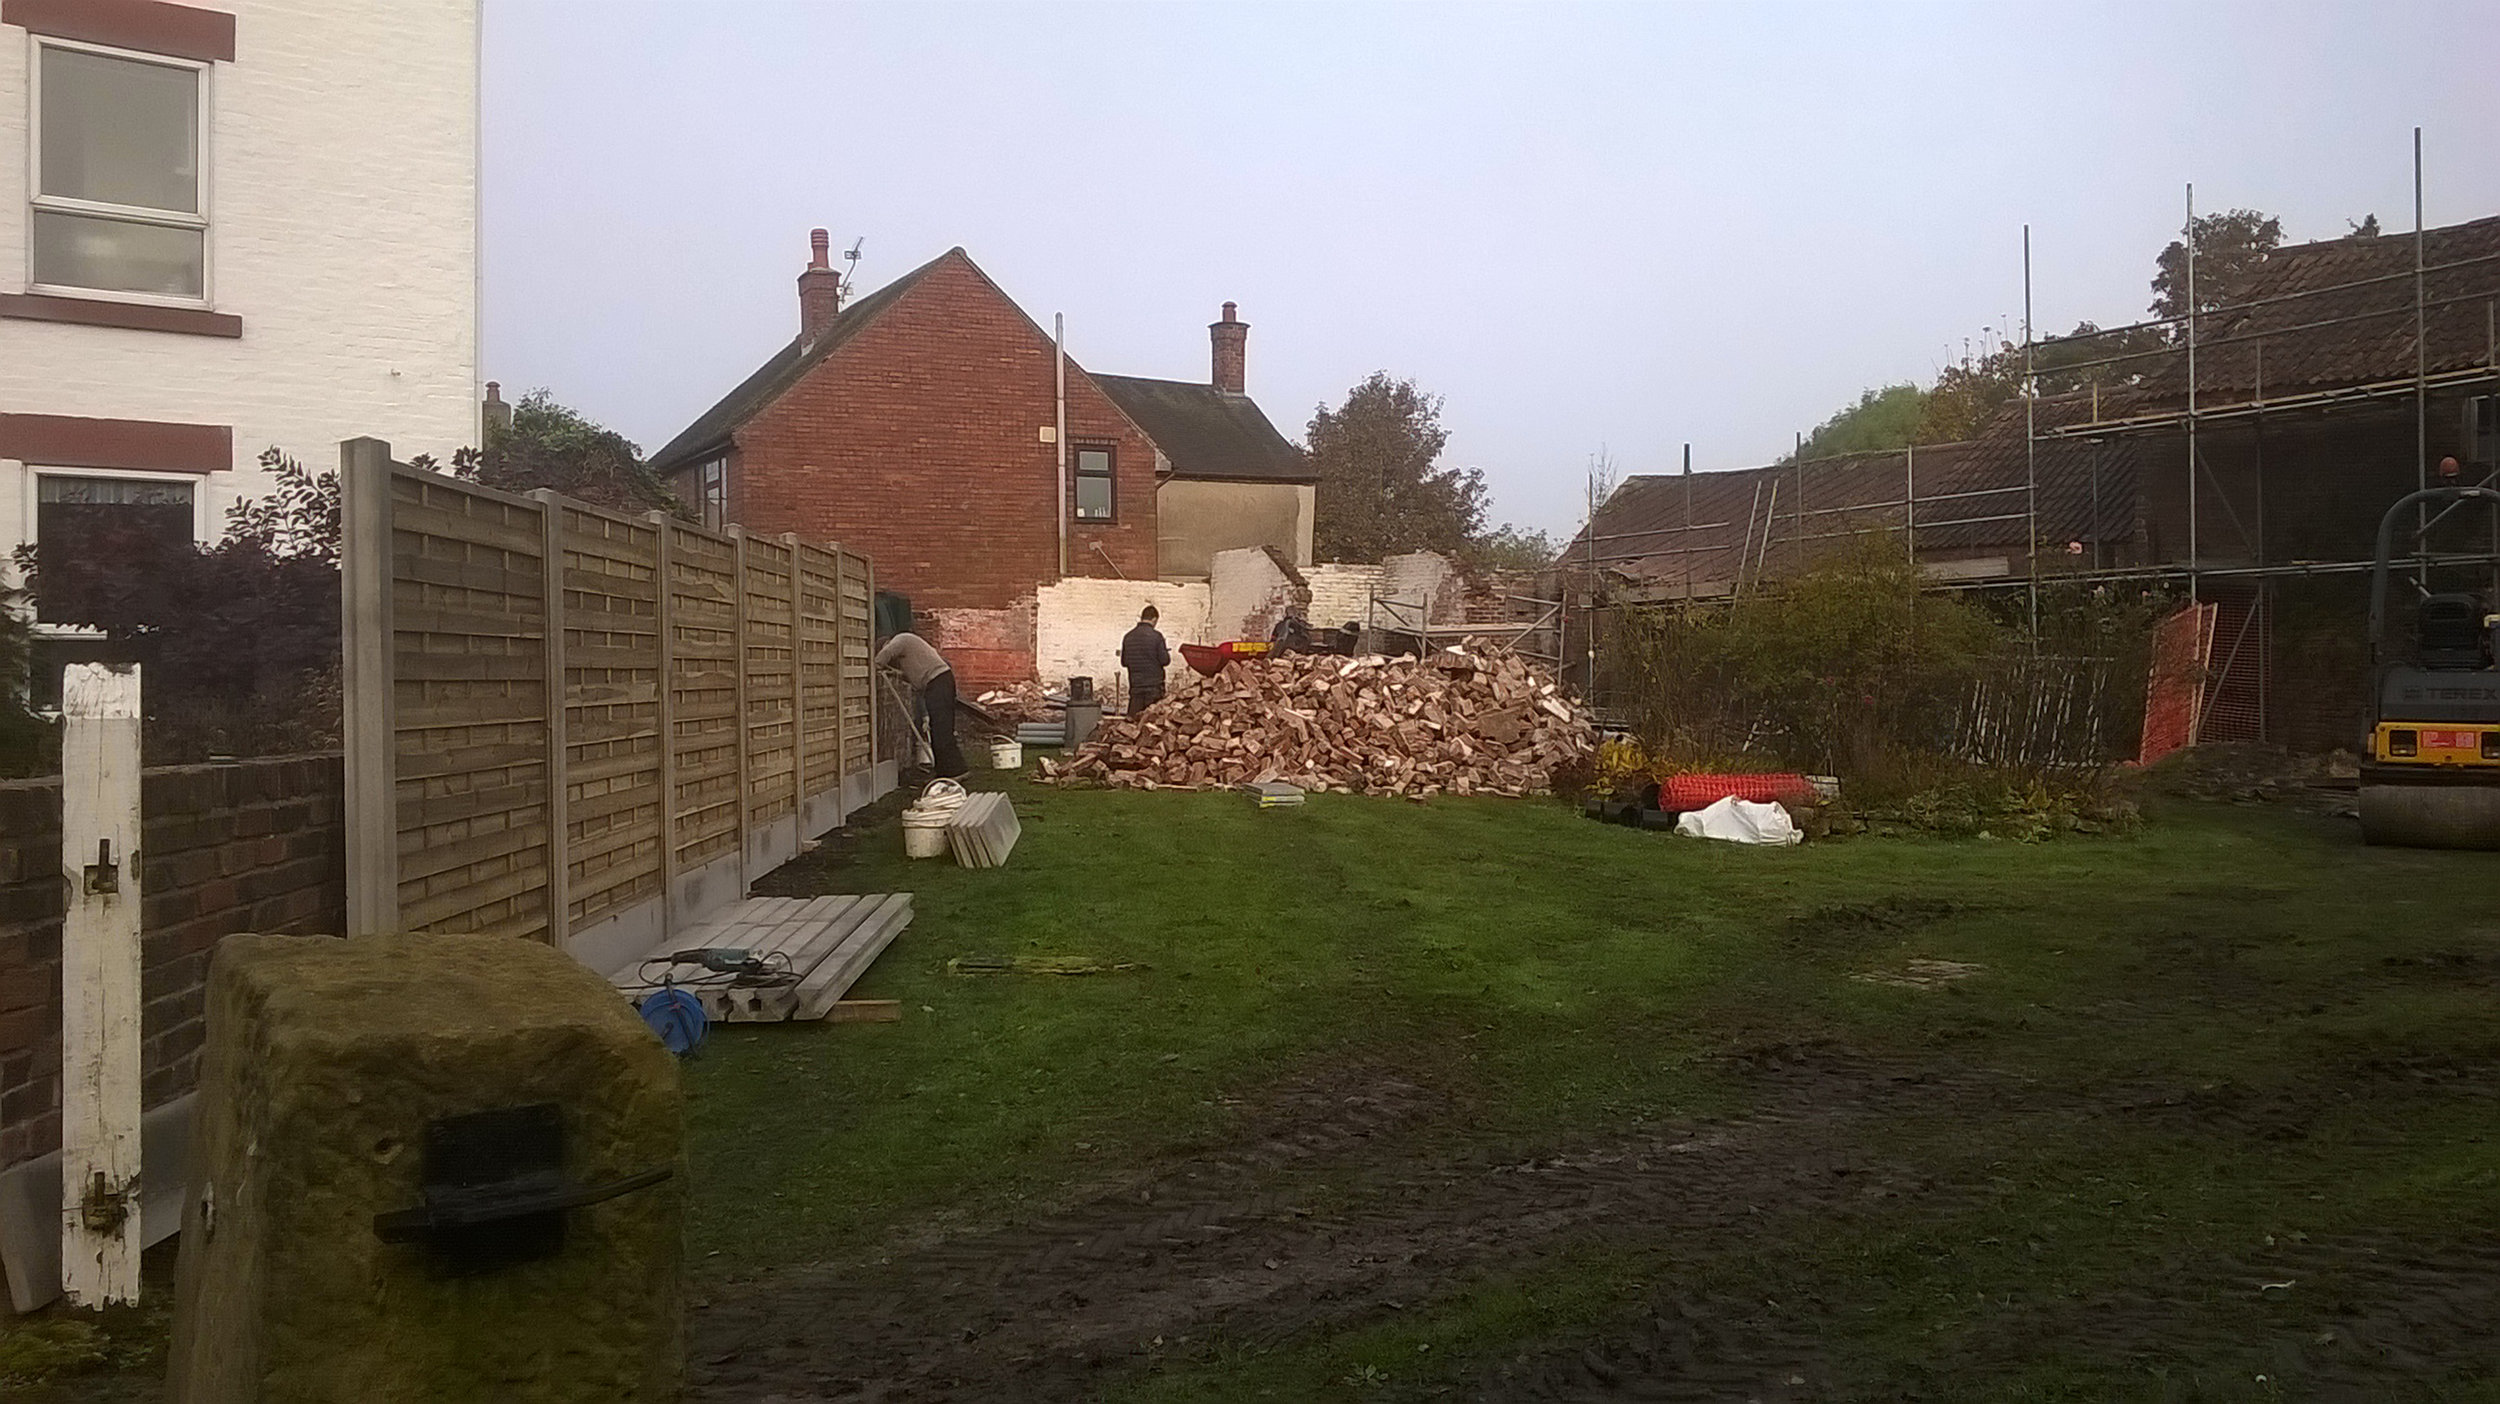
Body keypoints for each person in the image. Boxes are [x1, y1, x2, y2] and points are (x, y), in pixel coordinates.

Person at [874, 629, 967, 778]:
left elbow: (887, 654)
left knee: (940, 730)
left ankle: (953, 772)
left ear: (886, 644)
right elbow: (912, 674)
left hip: (938, 682)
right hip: (938, 682)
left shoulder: (901, 639)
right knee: (940, 729)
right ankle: (950, 770)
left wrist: (876, 664)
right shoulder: (910, 649)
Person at [1120, 605, 1170, 717]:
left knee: (1133, 723)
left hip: (1136, 686)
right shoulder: (1157, 637)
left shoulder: (1128, 637)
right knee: (1153, 723)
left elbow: (1124, 662)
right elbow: (1165, 660)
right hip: (1154, 686)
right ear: (1154, 619)